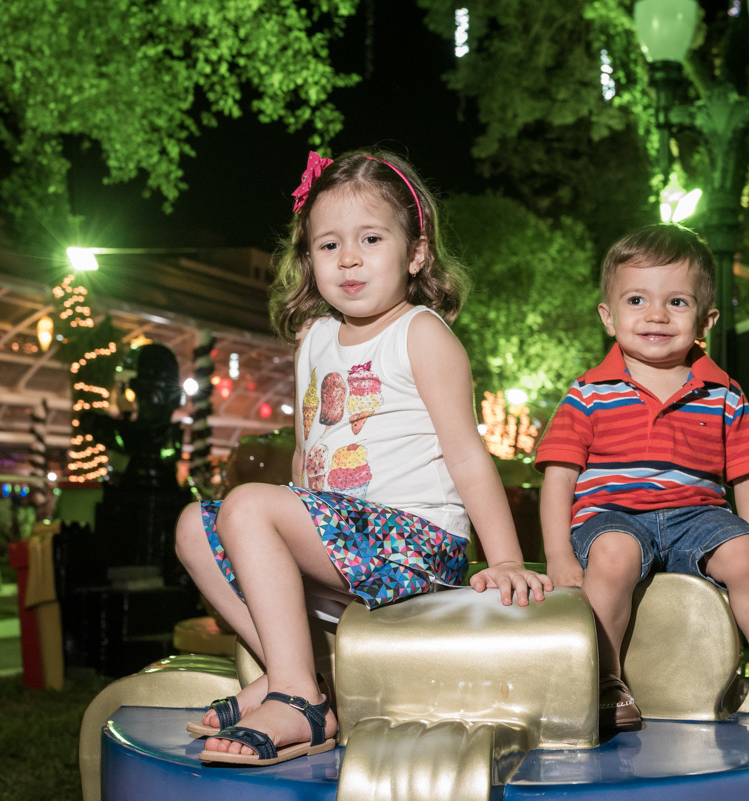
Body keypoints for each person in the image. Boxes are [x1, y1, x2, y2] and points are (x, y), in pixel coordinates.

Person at [174, 149, 552, 766]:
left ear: (416, 253)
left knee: (246, 506)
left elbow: (467, 455)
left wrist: (504, 558)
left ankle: (298, 700)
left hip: (414, 544)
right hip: (338, 538)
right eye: (328, 245)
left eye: (370, 238)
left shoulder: (420, 333)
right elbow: (304, 456)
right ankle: (292, 674)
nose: (348, 258)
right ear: (308, 259)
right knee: (196, 526)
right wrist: (278, 519)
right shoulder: (314, 339)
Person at [536, 223, 749, 732]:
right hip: (612, 516)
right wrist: (560, 557)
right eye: (637, 299)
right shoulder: (587, 393)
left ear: (706, 319)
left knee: (741, 551)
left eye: (677, 303)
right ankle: (604, 682)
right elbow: (559, 477)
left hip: (698, 517)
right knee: (614, 553)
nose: (656, 315)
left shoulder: (724, 394)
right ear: (608, 315)